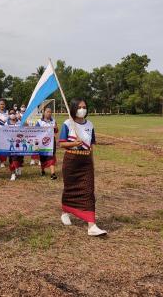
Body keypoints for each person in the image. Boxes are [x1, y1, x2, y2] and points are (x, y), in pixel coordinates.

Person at [58, 98, 107, 237]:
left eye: (84, 107)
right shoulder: (68, 123)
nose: (82, 109)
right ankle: (65, 211)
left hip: (86, 161)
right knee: (70, 189)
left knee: (88, 191)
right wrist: (74, 143)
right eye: (79, 107)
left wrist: (92, 161)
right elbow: (62, 143)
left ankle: (91, 225)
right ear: (73, 108)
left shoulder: (90, 125)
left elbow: (91, 145)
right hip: (71, 161)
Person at [36, 106, 58, 180]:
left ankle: (53, 173)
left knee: (51, 156)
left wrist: (55, 128)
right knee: (43, 157)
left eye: (50, 112)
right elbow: (35, 131)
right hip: (42, 142)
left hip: (51, 142)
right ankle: (42, 170)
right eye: (47, 111)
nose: (49, 113)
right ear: (44, 112)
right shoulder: (39, 121)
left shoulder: (53, 121)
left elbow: (56, 131)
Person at [6, 108, 23, 181]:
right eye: (10, 113)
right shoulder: (6, 123)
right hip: (10, 144)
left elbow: (27, 128)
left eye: (13, 113)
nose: (12, 114)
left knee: (19, 158)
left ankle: (18, 167)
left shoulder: (20, 122)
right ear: (9, 115)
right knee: (12, 159)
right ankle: (13, 174)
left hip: (20, 144)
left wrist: (22, 120)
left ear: (16, 114)